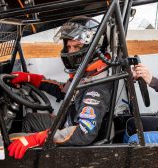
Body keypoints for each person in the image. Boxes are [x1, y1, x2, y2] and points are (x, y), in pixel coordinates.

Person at [8, 16, 113, 159]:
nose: (70, 52)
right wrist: (32, 79)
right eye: (69, 47)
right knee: (30, 119)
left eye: (77, 47)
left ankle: (30, 158)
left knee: (13, 139)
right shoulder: (88, 75)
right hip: (65, 121)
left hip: (71, 135)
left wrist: (40, 138)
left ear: (94, 49)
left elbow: (84, 132)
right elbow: (63, 90)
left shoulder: (96, 87)